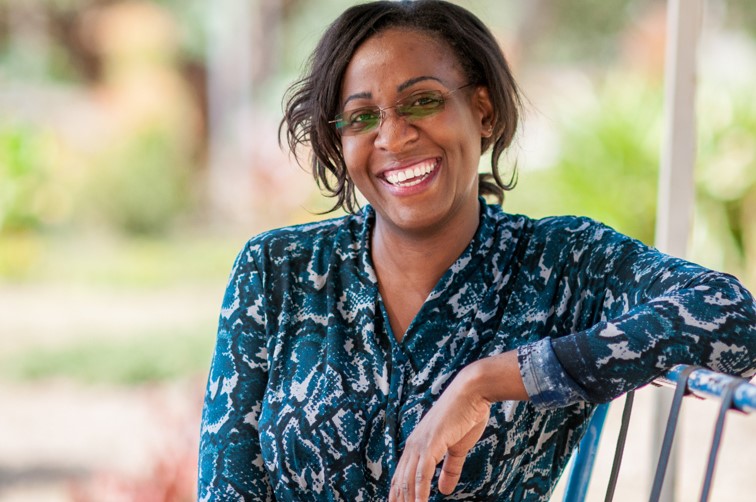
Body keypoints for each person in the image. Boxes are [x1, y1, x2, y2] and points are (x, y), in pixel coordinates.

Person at [198, 1, 756, 500]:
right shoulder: (277, 271)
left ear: (483, 111)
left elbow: (732, 318)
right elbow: (227, 487)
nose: (393, 136)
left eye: (423, 100)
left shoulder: (559, 264)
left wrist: (492, 379)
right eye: (363, 116)